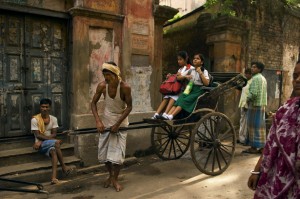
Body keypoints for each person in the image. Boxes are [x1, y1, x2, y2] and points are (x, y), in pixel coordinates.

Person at [247, 60, 300, 198]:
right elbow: (270, 145)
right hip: (277, 183)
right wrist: (257, 170)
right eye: (295, 76)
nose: (297, 80)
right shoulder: (285, 110)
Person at [91, 61, 132, 192]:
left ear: (115, 74)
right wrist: (98, 121)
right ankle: (110, 175)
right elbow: (93, 103)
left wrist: (117, 124)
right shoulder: (102, 86)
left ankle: (115, 179)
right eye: (104, 75)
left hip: (121, 121)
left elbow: (129, 107)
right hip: (106, 121)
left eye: (108, 74)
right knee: (104, 154)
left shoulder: (125, 87)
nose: (106, 77)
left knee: (118, 156)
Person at [31, 98, 73, 185]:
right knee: (56, 143)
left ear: (50, 108)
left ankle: (53, 178)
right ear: (40, 107)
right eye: (43, 107)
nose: (44, 109)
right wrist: (47, 141)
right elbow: (38, 135)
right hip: (39, 144)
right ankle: (64, 167)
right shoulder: (35, 120)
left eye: (46, 107)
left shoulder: (53, 119)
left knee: (54, 151)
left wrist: (50, 140)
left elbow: (54, 134)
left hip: (46, 142)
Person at [163, 53, 210, 120]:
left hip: (198, 90)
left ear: (201, 62)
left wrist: (200, 73)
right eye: (194, 58)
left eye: (197, 59)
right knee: (180, 98)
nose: (195, 60)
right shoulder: (191, 70)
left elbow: (207, 83)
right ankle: (167, 115)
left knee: (184, 100)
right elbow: (178, 77)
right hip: (189, 87)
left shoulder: (204, 71)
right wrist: (183, 76)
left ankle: (171, 116)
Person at [152, 51, 194, 119]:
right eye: (178, 59)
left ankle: (165, 114)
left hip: (185, 89)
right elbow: (177, 76)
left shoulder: (191, 68)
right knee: (166, 96)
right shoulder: (180, 69)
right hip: (177, 89)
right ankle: (156, 114)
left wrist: (181, 76)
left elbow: (180, 77)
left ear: (186, 59)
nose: (178, 61)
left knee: (173, 97)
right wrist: (171, 75)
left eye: (180, 59)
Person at [243, 61, 267, 154]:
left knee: (252, 127)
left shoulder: (255, 78)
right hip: (261, 105)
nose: (252, 68)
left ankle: (253, 147)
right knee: (260, 127)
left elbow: (253, 93)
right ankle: (261, 147)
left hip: (254, 106)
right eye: (252, 67)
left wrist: (247, 101)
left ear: (259, 69)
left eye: (254, 67)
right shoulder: (263, 78)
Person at [238, 68, 252, 144]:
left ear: (250, 74)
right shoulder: (245, 82)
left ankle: (245, 139)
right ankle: (241, 138)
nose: (246, 75)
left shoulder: (252, 82)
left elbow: (250, 94)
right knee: (242, 121)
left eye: (247, 74)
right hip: (242, 103)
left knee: (246, 122)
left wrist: (247, 104)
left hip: (247, 104)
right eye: (245, 73)